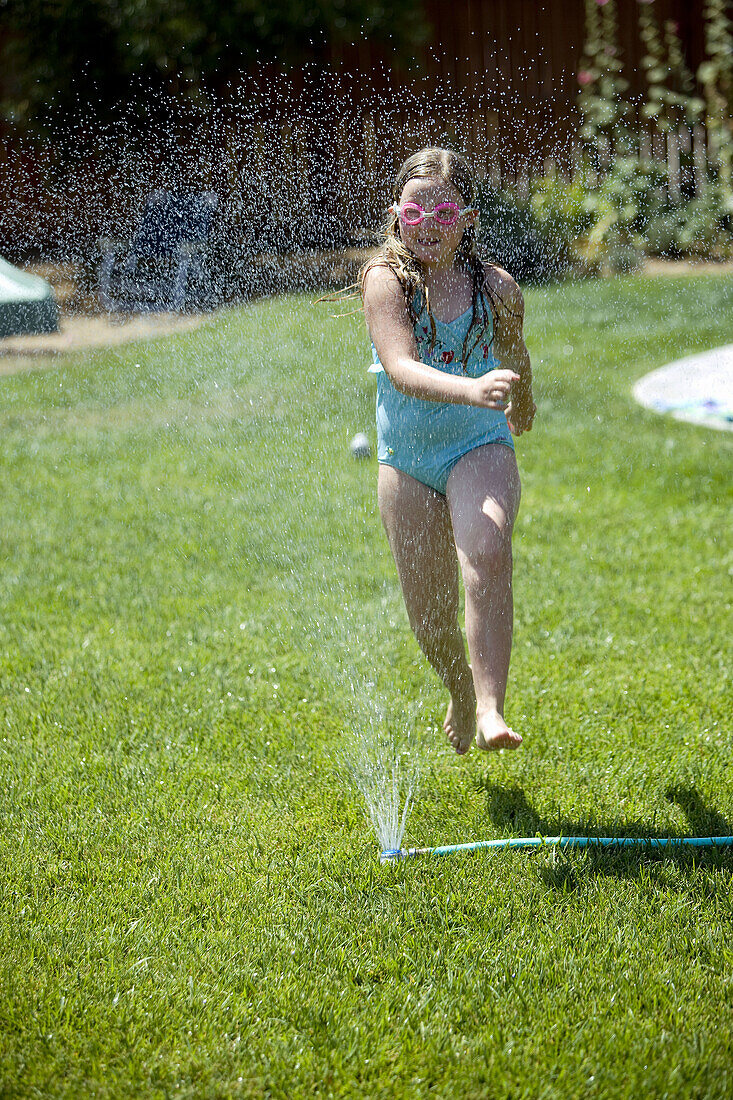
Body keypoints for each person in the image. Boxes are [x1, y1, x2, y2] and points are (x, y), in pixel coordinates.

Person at [360, 147, 536, 756]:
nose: (428, 222)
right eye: (415, 210)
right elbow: (402, 368)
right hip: (406, 459)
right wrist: (472, 387)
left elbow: (515, 352)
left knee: (486, 547)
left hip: (477, 442)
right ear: (396, 215)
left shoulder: (496, 288)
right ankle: (460, 689)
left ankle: (490, 706)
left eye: (442, 210)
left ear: (467, 217)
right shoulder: (385, 281)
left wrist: (524, 400)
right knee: (430, 622)